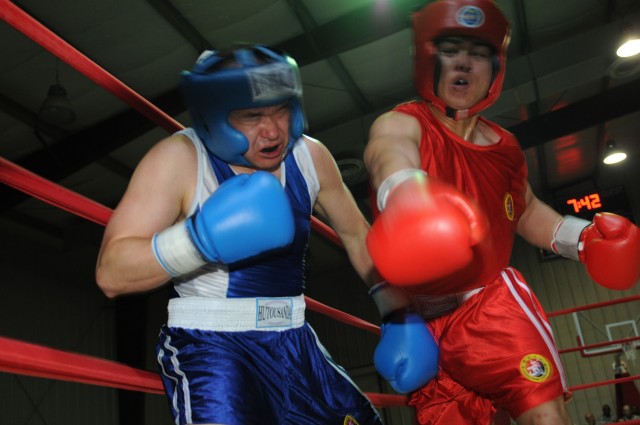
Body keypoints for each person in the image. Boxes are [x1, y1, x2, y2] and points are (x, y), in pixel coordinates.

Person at [363, 0, 640, 424]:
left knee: (544, 416)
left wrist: (582, 239)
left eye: (478, 54)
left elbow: (525, 210)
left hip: (488, 306)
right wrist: (406, 196)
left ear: (495, 68)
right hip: (422, 325)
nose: (464, 64)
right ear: (427, 58)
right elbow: (388, 154)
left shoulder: (506, 149)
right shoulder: (403, 123)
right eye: (451, 49)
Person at [95, 45, 383, 425]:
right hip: (214, 345)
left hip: (295, 336)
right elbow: (111, 274)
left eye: (281, 108)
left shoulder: (309, 156)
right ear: (214, 116)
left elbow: (357, 236)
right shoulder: (178, 159)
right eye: (251, 116)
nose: (273, 130)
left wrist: (399, 312)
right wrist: (198, 240)